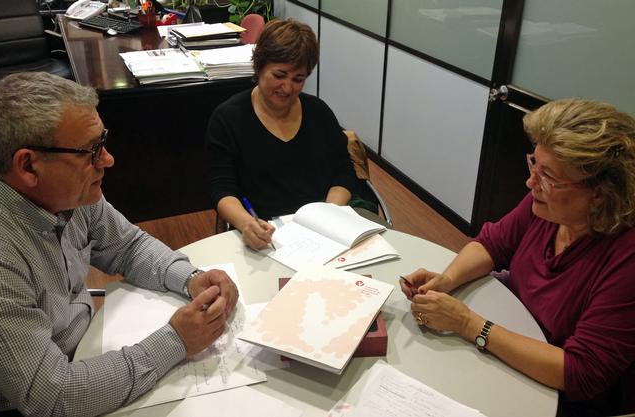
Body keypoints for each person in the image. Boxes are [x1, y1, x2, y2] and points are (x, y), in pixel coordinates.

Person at [0, 72, 239, 417]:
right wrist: (177, 341)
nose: (107, 159)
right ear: (29, 166)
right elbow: (51, 395)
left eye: (103, 142)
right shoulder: (1, 259)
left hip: (87, 346)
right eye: (91, 151)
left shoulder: (70, 193)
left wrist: (191, 278)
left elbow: (127, 246)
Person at [401, 99, 635, 416]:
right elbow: (491, 244)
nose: (531, 182)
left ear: (600, 193)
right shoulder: (549, 208)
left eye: (548, 176)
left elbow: (582, 372)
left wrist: (468, 323)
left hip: (562, 396)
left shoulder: (625, 257)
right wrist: (447, 279)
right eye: (534, 164)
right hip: (511, 339)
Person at [206, 18, 357, 250]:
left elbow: (344, 172)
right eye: (279, 75)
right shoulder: (228, 119)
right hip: (264, 233)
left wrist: (328, 214)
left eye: (298, 79)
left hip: (321, 232)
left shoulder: (318, 112)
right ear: (259, 67)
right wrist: (246, 223)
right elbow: (221, 189)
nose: (287, 87)